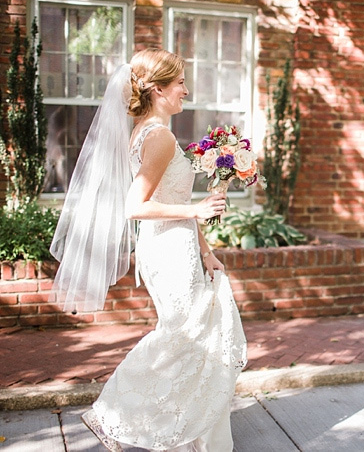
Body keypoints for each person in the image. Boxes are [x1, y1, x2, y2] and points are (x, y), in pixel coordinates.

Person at [50, 49, 247, 450]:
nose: (186, 91)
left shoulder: (144, 130)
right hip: (169, 251)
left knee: (195, 337)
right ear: (158, 90)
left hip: (177, 246)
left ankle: (190, 432)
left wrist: (205, 247)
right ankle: (112, 413)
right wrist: (196, 209)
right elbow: (134, 206)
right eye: (180, 84)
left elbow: (168, 195)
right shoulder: (159, 136)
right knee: (181, 336)